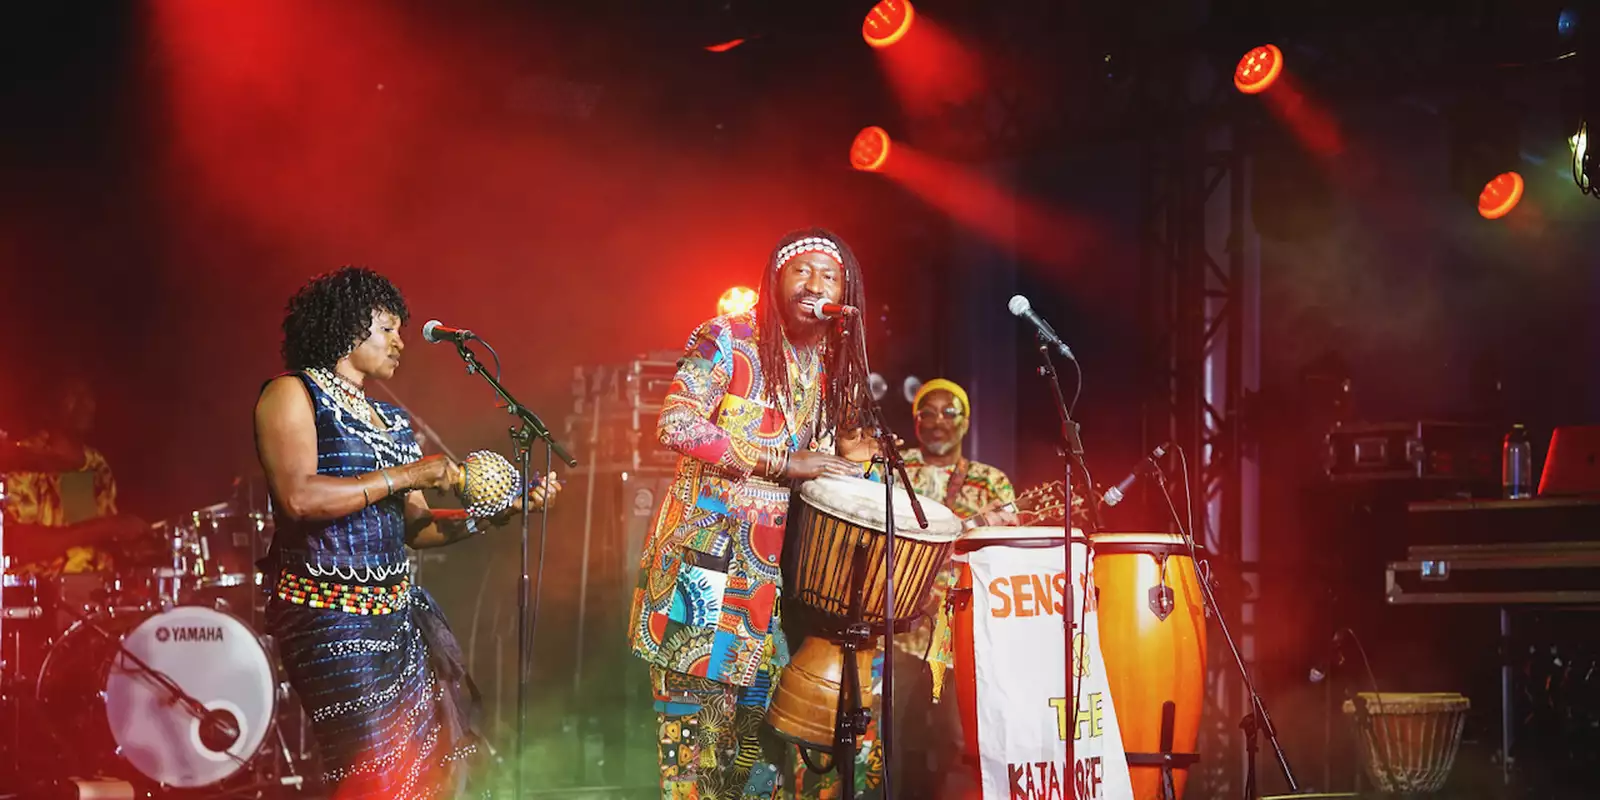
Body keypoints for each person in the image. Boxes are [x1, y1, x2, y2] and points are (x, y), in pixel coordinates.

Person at [253, 266, 559, 797]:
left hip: (399, 620)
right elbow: (299, 497)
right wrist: (411, 473)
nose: (400, 342)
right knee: (373, 775)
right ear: (349, 327)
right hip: (329, 621)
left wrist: (502, 511)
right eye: (387, 328)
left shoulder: (390, 421)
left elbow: (416, 529)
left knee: (430, 777)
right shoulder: (290, 394)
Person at [627, 229, 872, 800]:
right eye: (801, 272)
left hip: (767, 598)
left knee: (756, 767)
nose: (815, 285)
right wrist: (783, 462)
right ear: (775, 280)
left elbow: (817, 470)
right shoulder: (728, 338)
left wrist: (850, 463)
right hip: (700, 581)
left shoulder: (829, 367)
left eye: (829, 276)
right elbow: (676, 423)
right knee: (695, 766)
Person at [0, 373, 145, 576]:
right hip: (40, 595)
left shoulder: (96, 464)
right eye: (73, 395)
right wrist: (103, 528)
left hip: (98, 591)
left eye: (88, 396)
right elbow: (17, 545)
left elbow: (88, 542)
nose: (85, 404)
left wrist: (135, 542)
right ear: (50, 404)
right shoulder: (23, 464)